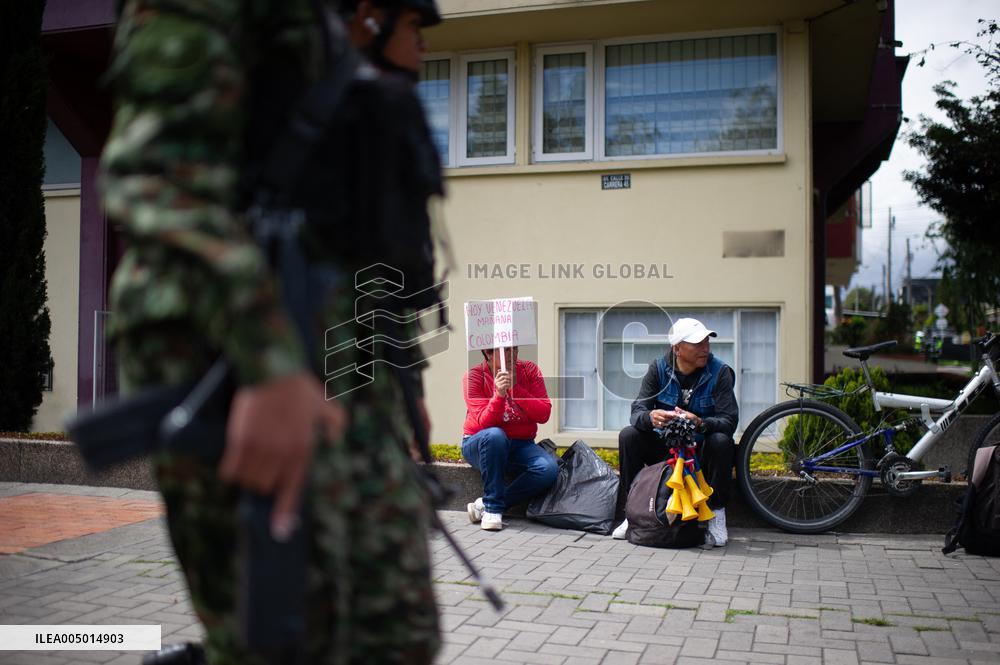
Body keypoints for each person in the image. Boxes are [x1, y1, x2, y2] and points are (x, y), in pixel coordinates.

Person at [99, 0, 444, 662]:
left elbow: (370, 248)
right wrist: (268, 364)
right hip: (227, 351)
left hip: (343, 360)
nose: (423, 43)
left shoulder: (349, 72)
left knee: (396, 633)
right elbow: (156, 177)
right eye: (413, 24)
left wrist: (406, 384)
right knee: (280, 636)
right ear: (373, 14)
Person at [612, 318, 739, 547]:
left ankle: (717, 513)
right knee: (629, 435)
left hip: (699, 455)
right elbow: (637, 410)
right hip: (667, 452)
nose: (705, 348)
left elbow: (729, 421)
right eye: (697, 343)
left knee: (722, 441)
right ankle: (631, 512)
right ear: (677, 348)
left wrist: (700, 422)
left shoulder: (720, 372)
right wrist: (650, 417)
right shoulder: (658, 369)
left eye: (706, 341)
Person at [462, 346, 558, 531]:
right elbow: (484, 423)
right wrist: (499, 395)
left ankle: (485, 505)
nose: (512, 354)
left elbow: (544, 414)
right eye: (505, 350)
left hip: (521, 444)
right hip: (481, 443)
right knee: (495, 435)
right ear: (488, 353)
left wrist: (516, 388)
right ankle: (492, 510)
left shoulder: (529, 370)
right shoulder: (474, 376)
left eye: (514, 348)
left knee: (548, 468)